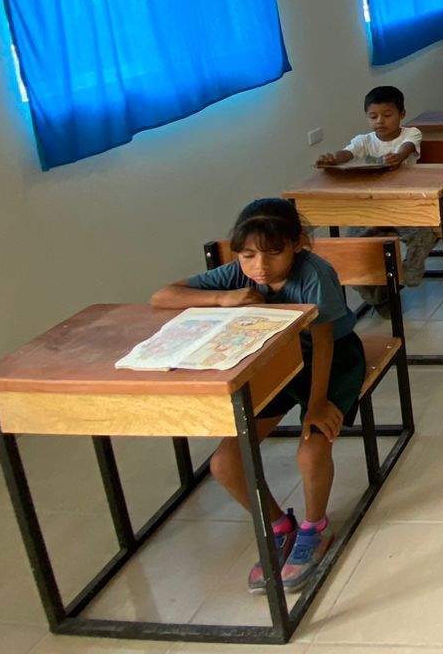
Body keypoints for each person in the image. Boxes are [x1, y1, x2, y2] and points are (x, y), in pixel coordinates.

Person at [151, 199, 360, 594]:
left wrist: (316, 406)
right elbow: (161, 296)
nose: (260, 266)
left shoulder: (314, 274)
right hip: (275, 363)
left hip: (331, 361)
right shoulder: (238, 274)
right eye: (248, 255)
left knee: (311, 450)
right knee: (226, 464)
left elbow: (323, 339)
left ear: (297, 244)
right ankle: (281, 525)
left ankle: (315, 529)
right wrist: (222, 298)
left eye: (273, 252)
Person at [315, 86, 434, 311]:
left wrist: (398, 157)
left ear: (402, 114)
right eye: (373, 116)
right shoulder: (363, 141)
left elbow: (407, 149)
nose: (380, 121)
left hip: (404, 207)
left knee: (424, 235)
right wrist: (334, 159)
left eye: (387, 115)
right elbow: (347, 153)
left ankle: (407, 274)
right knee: (352, 248)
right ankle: (377, 297)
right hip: (370, 209)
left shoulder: (411, 134)